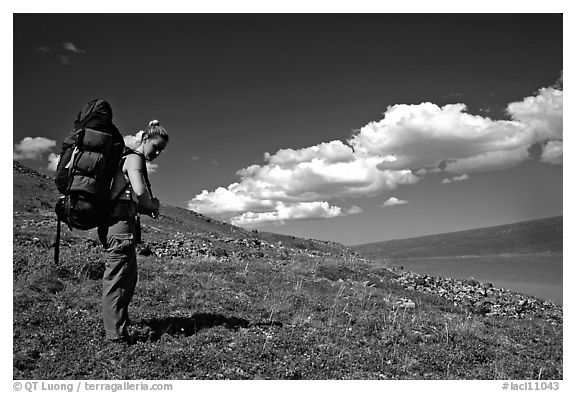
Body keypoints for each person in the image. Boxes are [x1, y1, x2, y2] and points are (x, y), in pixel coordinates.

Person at [98, 120, 169, 342]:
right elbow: (139, 191)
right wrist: (152, 205)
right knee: (117, 280)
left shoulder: (125, 158)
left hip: (118, 225)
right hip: (120, 227)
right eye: (155, 146)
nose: (157, 152)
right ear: (144, 140)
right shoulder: (134, 158)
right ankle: (115, 336)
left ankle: (119, 325)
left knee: (126, 280)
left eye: (161, 150)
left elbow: (130, 196)